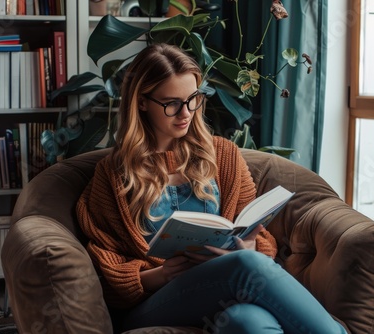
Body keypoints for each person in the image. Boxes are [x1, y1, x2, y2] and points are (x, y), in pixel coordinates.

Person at [76, 43, 347, 334]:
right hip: (156, 302)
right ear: (142, 102)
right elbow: (105, 268)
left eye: (193, 99)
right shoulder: (114, 174)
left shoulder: (224, 155)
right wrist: (161, 275)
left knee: (247, 322)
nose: (186, 113)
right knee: (245, 266)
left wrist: (251, 246)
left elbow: (260, 235)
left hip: (224, 293)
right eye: (172, 103)